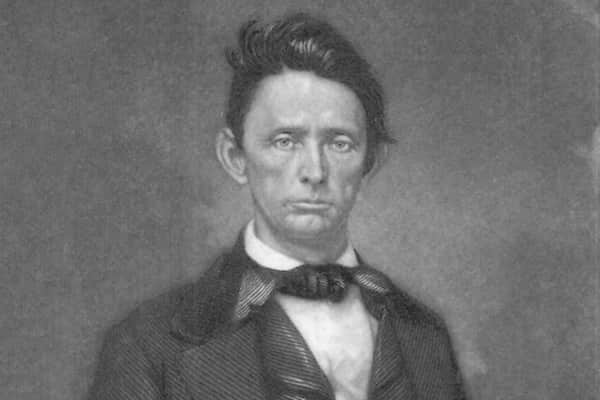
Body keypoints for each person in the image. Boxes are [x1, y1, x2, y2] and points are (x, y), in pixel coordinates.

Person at [88, 12, 468, 400]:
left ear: (370, 163)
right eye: (285, 141)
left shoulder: (426, 336)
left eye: (340, 143)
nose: (315, 171)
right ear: (235, 157)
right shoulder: (147, 345)